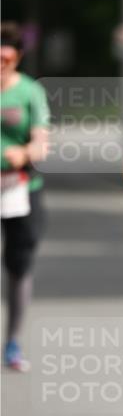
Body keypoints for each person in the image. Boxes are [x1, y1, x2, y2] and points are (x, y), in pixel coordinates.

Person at [1, 22, 50, 372]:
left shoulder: (29, 92)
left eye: (7, 53)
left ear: (17, 57)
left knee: (19, 267)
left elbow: (41, 142)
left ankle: (13, 343)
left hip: (20, 190)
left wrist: (26, 152)